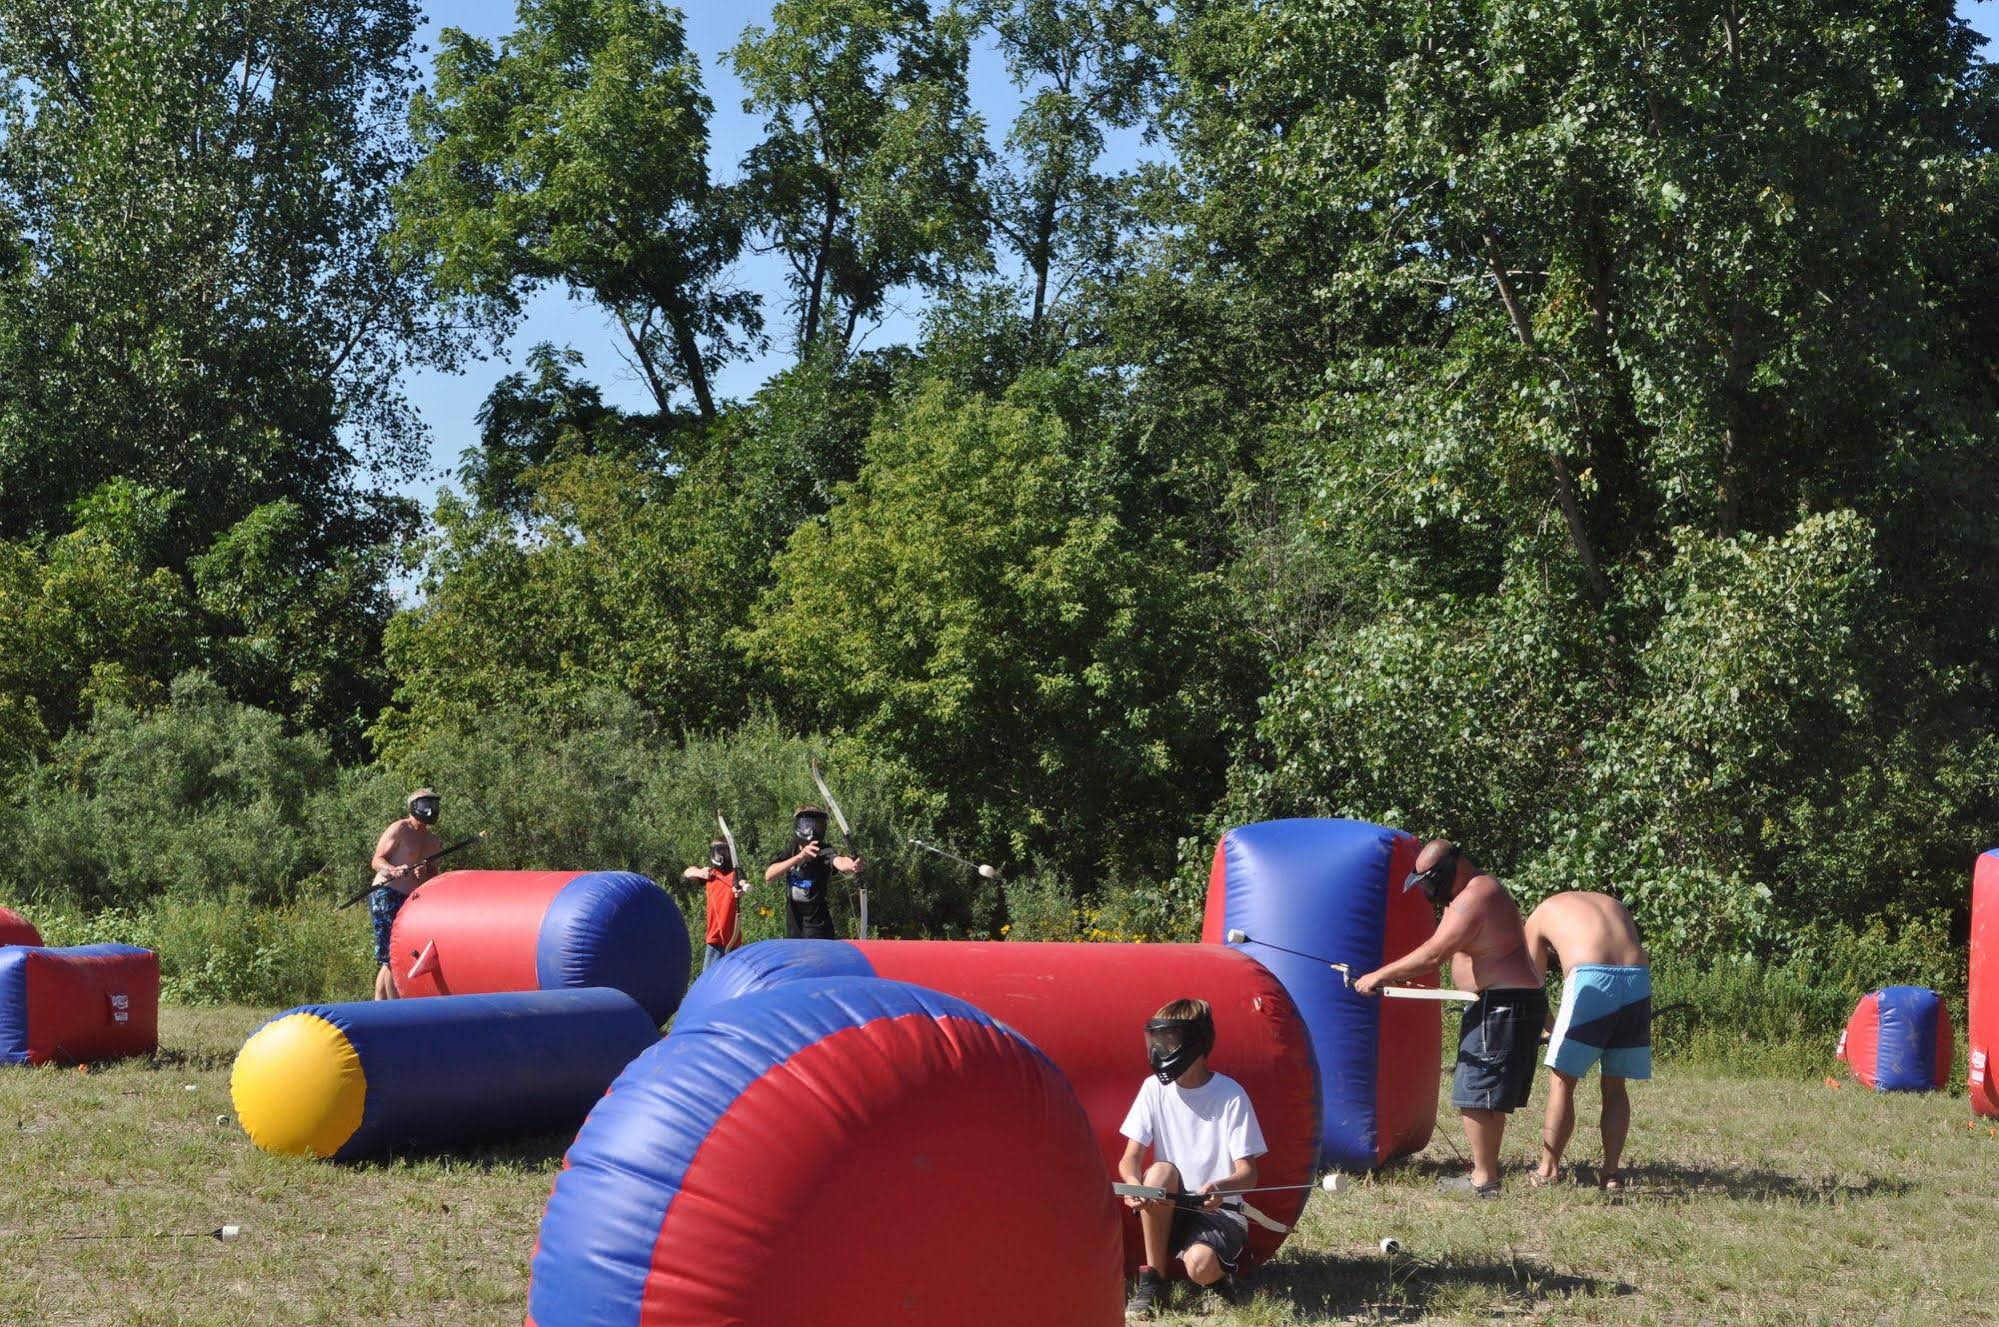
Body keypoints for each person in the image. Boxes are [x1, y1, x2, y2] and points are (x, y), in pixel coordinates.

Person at [1355, 839, 1545, 1199]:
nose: (1428, 892)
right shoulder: (1478, 891)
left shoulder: (1476, 895)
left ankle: (1483, 1180)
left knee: (1473, 1092)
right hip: (1503, 1002)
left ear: (1444, 873)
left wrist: (1379, 975)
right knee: (1485, 1095)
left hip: (1501, 1004)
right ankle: (1485, 1174)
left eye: (1428, 883)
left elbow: (1434, 953)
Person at [1117, 998, 1267, 1318]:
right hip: (1168, 1211)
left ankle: (1219, 1281)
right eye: (1155, 1041)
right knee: (1157, 1172)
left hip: (1220, 1214)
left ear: (1196, 1044)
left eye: (1168, 1041)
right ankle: (1153, 1281)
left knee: (1200, 1267)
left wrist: (1222, 1186)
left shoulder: (1231, 1095)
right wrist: (1133, 1184)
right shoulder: (1153, 1089)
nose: (1158, 1050)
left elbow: (1249, 1173)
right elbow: (1130, 1158)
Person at [1524, 890, 1651, 1192]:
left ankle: (1547, 1170)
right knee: (1614, 1084)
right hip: (1637, 977)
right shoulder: (1612, 903)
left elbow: (1532, 983)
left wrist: (1549, 1026)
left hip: (1591, 976)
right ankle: (1611, 1174)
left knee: (1562, 1080)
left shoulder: (1539, 915)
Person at [367, 788, 444, 1001]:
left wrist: (424, 873)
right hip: (386, 894)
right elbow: (377, 860)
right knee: (391, 957)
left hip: (410, 901)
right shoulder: (400, 828)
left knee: (394, 958)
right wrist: (393, 869)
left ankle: (380, 1007)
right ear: (413, 806)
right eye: (424, 804)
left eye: (433, 805)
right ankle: (394, 1008)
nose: (429, 810)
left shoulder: (433, 841)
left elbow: (433, 877)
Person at [762, 805, 862, 940]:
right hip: (794, 926)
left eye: (818, 826)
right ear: (798, 826)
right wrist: (800, 857)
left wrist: (852, 864)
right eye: (807, 824)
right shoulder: (791, 849)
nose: (812, 831)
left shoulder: (824, 850)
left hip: (818, 928)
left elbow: (839, 861)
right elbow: (769, 875)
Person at [682, 837, 747, 970]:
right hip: (715, 939)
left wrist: (741, 889)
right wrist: (699, 872)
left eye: (724, 851)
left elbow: (740, 883)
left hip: (733, 941)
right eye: (718, 852)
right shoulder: (710, 874)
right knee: (709, 981)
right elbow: (688, 872)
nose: (721, 855)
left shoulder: (735, 874)